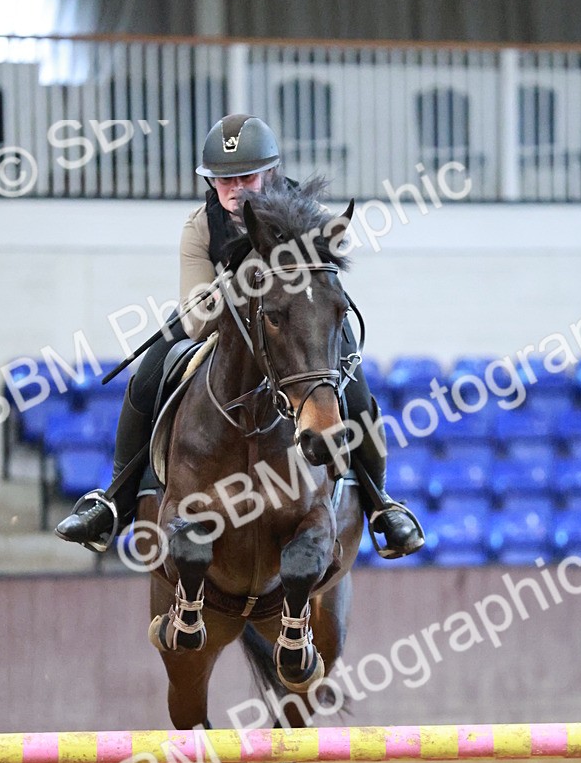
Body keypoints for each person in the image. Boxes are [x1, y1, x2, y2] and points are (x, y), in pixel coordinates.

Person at [56, 114, 424, 557]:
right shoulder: (200, 226)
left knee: (357, 387)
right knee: (148, 374)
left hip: (298, 328)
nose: (234, 189)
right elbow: (198, 318)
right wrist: (246, 283)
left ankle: (382, 503)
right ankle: (114, 500)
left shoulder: (309, 216)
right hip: (222, 327)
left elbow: (321, 291)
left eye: (246, 177)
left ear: (270, 172)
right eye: (223, 180)